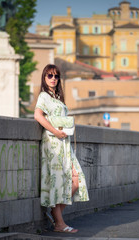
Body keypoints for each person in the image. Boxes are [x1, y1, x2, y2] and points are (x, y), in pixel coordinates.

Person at [34, 64, 89, 233]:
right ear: (44, 78)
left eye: (56, 76)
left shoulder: (57, 97)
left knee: (76, 180)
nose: (53, 79)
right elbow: (37, 115)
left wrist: (64, 130)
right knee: (59, 183)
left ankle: (55, 214)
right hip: (53, 144)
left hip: (64, 144)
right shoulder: (44, 96)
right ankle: (59, 223)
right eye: (49, 76)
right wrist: (55, 132)